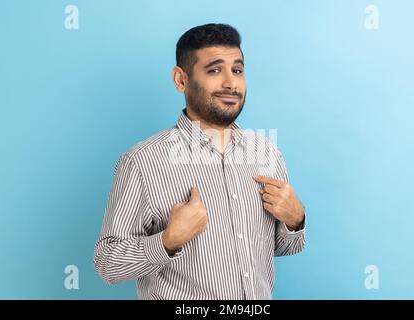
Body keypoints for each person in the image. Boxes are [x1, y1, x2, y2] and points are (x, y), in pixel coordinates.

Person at [94, 23, 306, 300]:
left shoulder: (266, 154)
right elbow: (107, 264)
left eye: (237, 70)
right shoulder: (142, 162)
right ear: (181, 80)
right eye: (215, 70)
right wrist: (167, 241)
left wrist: (295, 220)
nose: (231, 83)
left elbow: (283, 248)